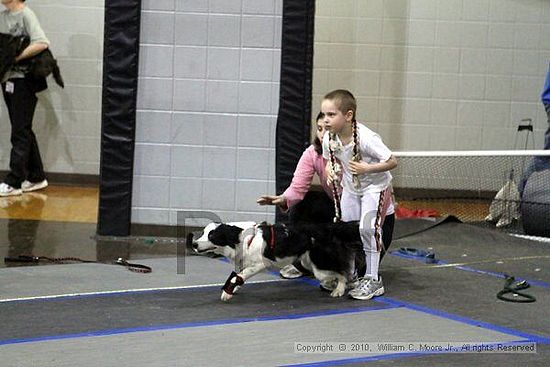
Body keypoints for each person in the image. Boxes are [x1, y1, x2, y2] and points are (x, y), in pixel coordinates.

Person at [258, 111, 395, 279]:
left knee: (359, 269)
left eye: (328, 129)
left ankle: (368, 275)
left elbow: (383, 183)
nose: (323, 134)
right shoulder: (312, 154)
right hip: (339, 207)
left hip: (375, 214)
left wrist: (368, 228)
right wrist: (284, 198)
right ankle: (303, 260)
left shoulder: (357, 149)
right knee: (303, 205)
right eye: (320, 129)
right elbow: (298, 187)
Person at [322, 89, 397, 300]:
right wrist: (330, 170)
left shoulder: (366, 137)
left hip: (375, 187)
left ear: (348, 115)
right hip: (351, 188)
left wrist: (367, 169)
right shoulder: (329, 138)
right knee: (346, 229)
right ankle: (350, 275)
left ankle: (373, 279)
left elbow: (392, 161)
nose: (326, 120)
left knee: (367, 228)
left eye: (331, 115)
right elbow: (329, 160)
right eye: (324, 115)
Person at [0, 0, 49, 197]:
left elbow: (42, 42)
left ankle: (15, 181)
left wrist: (16, 57)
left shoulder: (26, 14)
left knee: (20, 131)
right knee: (23, 129)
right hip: (7, 80)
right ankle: (37, 176)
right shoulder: (3, 17)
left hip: (23, 81)